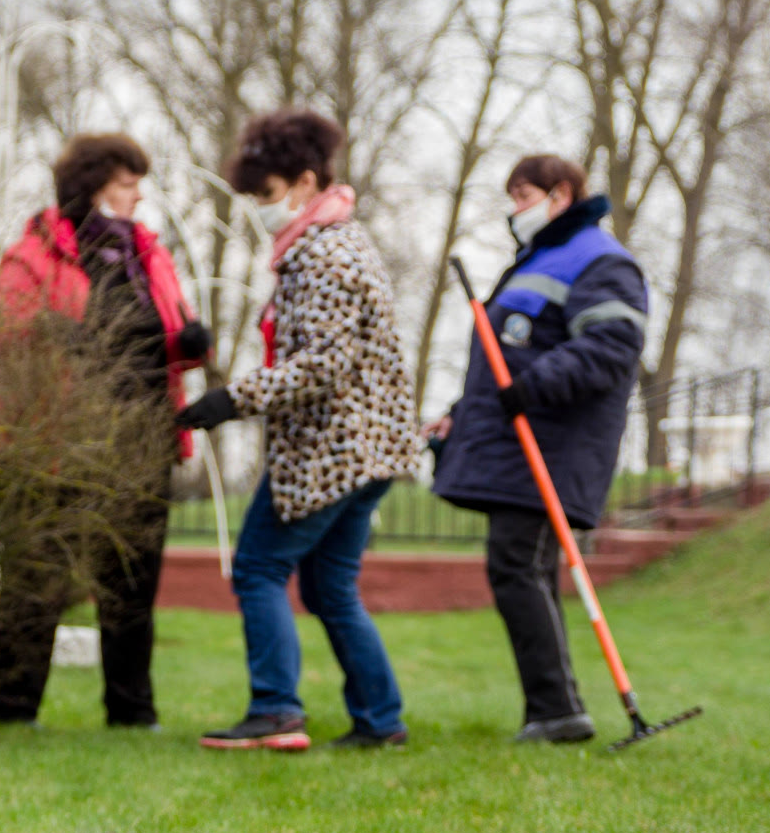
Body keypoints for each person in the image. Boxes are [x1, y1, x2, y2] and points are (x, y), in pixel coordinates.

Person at [176, 108, 422, 751]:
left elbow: (323, 364)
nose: (258, 207)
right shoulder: (342, 241)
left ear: (305, 182)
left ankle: (276, 709)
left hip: (333, 451)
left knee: (258, 566)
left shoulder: (321, 254)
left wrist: (236, 398)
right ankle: (379, 719)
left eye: (265, 193)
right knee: (328, 585)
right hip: (371, 450)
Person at [0, 133, 211, 728]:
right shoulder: (33, 254)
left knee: (132, 583)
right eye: (126, 183)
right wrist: (51, 331)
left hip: (142, 441)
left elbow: (168, 329)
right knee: (36, 580)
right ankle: (13, 712)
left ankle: (133, 715)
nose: (137, 196)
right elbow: (2, 336)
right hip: (52, 445)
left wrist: (186, 346)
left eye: (138, 184)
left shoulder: (149, 255)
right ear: (92, 186)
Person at [427, 157, 648, 743]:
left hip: (551, 446)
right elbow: (503, 362)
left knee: (515, 564)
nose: (514, 208)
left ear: (562, 193)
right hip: (519, 445)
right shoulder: (537, 261)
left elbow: (613, 343)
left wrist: (533, 387)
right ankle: (557, 708)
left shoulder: (598, 260)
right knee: (528, 569)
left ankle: (555, 712)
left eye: (523, 194)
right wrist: (459, 416)